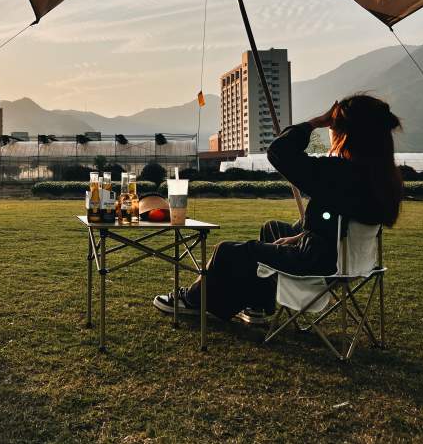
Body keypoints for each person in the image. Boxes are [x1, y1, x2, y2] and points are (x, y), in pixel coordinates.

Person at [153, 94, 403, 323]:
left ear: (347, 133)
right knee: (272, 229)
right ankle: (257, 305)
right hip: (348, 260)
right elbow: (339, 220)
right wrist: (301, 235)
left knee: (229, 251)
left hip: (316, 263)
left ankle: (193, 301)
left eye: (333, 125)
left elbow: (279, 151)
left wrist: (315, 122)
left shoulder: (341, 173)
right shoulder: (381, 177)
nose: (330, 131)